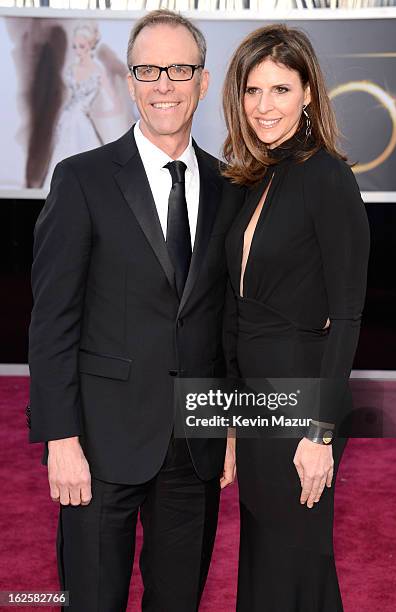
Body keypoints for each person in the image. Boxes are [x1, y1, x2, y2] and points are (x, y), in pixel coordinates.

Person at [27, 10, 238, 611]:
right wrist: (59, 438)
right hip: (98, 444)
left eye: (179, 69)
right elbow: (52, 321)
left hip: (192, 446)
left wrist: (226, 426)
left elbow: (223, 322)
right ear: (131, 82)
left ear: (202, 80)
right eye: (148, 69)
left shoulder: (230, 187)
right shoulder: (81, 179)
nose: (163, 84)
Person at [222, 24, 370, 611]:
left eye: (280, 89)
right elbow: (234, 312)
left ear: (308, 92)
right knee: (262, 559)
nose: (264, 106)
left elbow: (349, 314)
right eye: (253, 91)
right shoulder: (252, 177)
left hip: (300, 401)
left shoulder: (328, 177)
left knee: (299, 561)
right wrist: (228, 420)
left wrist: (321, 432)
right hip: (254, 401)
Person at [43, 22, 131, 188]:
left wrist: (96, 114)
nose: (77, 51)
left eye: (81, 46)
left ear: (90, 46)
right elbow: (70, 96)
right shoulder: (72, 68)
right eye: (75, 47)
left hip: (81, 121)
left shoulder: (98, 70)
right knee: (63, 156)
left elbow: (115, 103)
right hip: (67, 118)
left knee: (85, 158)